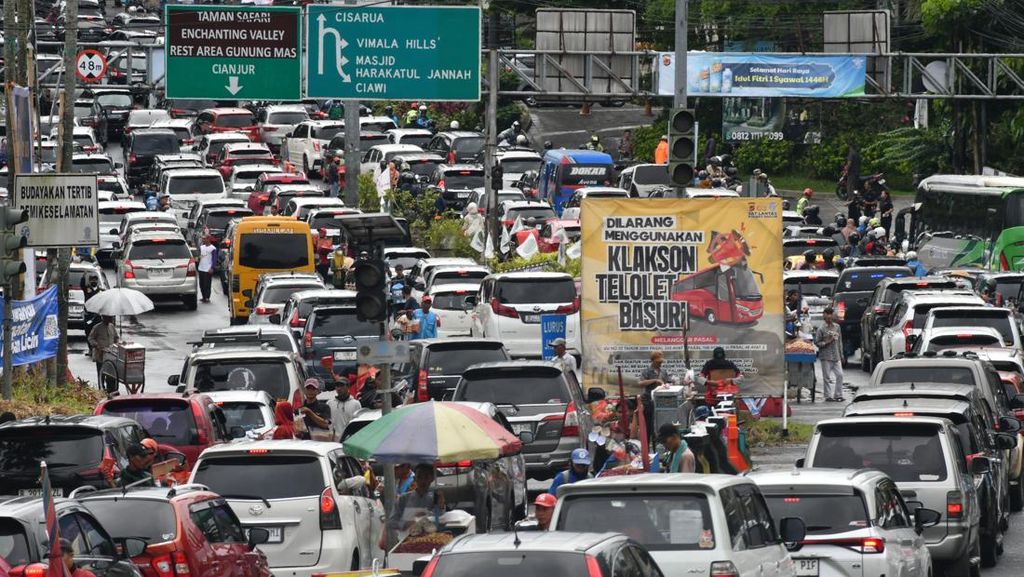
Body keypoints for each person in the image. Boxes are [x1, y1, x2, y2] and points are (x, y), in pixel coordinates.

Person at [388, 464, 445, 535]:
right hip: (406, 541)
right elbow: (391, 522)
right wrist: (405, 524)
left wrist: (441, 505)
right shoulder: (403, 498)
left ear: (432, 479)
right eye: (419, 477)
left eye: (426, 477)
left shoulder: (435, 498)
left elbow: (440, 520)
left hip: (430, 539)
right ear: (415, 478)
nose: (423, 481)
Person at [815, 307, 844, 402]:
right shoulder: (821, 329)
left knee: (840, 375)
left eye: (831, 317)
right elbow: (817, 342)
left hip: (836, 355)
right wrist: (827, 341)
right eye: (827, 318)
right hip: (826, 356)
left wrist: (841, 354)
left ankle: (838, 395)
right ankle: (828, 396)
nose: (829, 319)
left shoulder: (837, 327)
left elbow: (839, 342)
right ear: (824, 317)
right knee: (826, 377)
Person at [87, 315, 118, 391]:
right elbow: (90, 338)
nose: (110, 319)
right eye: (108, 317)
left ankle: (110, 389)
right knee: (101, 373)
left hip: (110, 354)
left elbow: (116, 337)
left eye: (110, 317)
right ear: (103, 318)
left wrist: (117, 343)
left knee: (111, 373)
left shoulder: (112, 327)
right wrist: (97, 345)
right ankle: (101, 388)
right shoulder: (97, 327)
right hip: (100, 354)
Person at [197, 237, 216, 303]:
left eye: (205, 239)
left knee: (207, 284)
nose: (203, 240)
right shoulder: (201, 247)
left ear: (209, 240)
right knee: (201, 284)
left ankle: (207, 297)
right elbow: (199, 256)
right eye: (203, 239)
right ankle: (203, 297)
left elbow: (214, 259)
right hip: (201, 268)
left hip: (208, 269)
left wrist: (212, 267)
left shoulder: (212, 248)